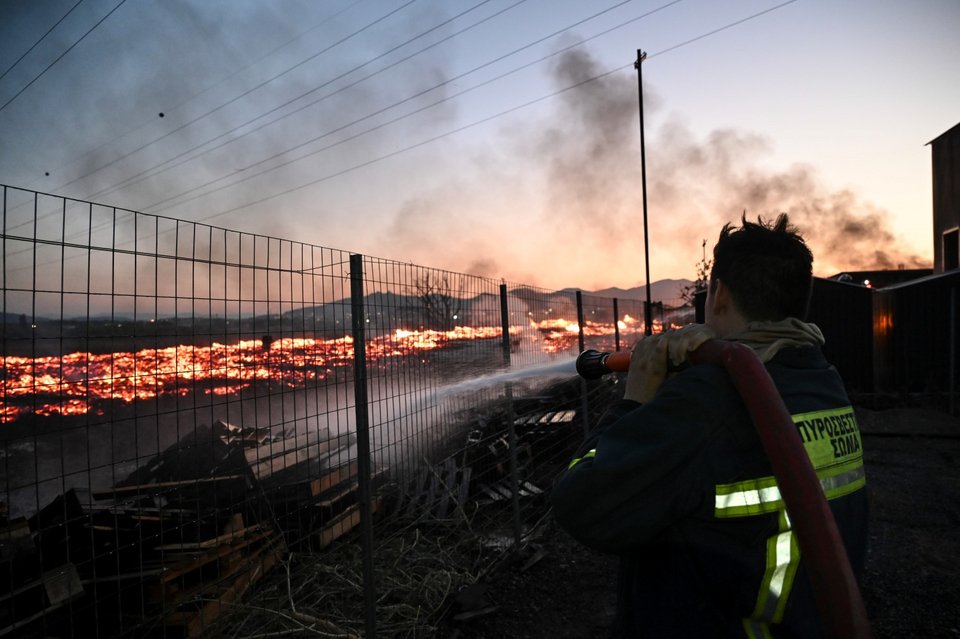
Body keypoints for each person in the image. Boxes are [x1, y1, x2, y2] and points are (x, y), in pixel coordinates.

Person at [551, 214, 868, 638]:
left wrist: (635, 401)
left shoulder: (708, 400)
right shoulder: (821, 380)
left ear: (718, 294)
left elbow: (582, 505)